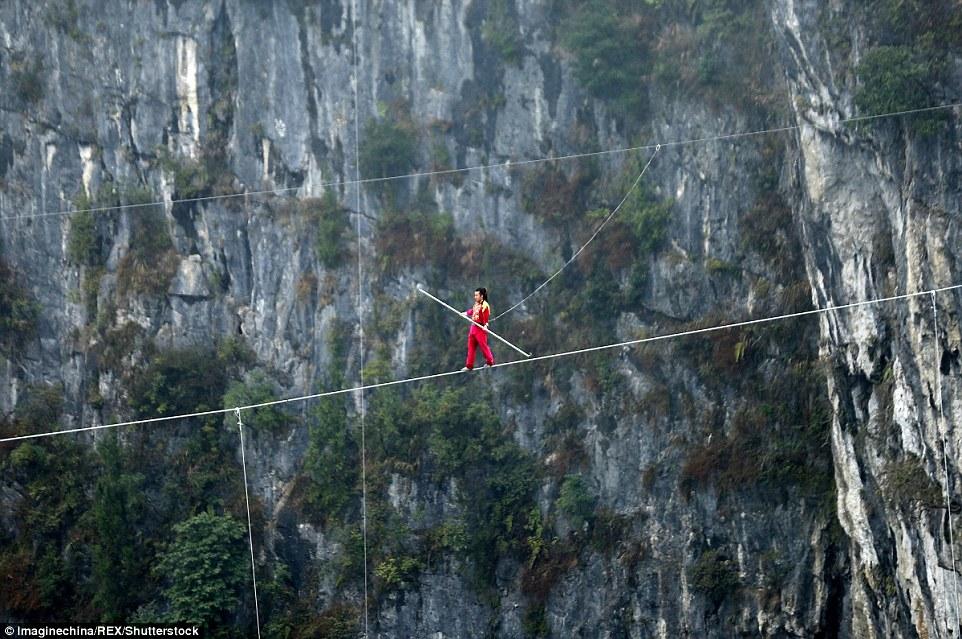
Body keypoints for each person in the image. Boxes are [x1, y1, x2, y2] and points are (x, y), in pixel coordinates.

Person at [461, 287, 495, 371]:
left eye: (476, 295)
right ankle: (469, 365)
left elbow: (486, 316)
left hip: (480, 328)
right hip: (473, 327)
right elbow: (472, 311)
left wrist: (485, 325)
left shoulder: (485, 305)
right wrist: (465, 313)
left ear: (482, 296)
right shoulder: (476, 304)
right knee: (471, 346)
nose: (475, 297)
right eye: (474, 295)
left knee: (483, 346)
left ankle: (490, 361)